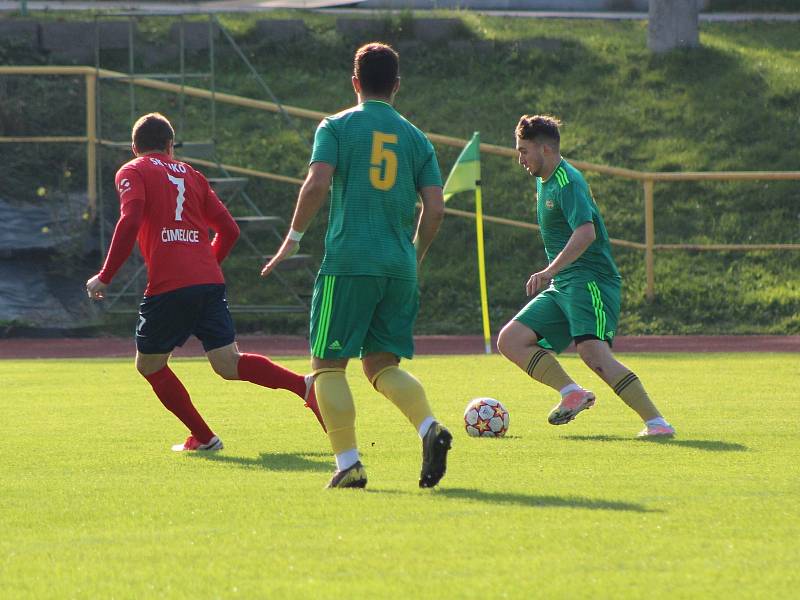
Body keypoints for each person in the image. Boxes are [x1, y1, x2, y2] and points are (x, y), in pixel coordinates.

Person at [261, 42, 451, 488]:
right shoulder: (417, 137)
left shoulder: (337, 126)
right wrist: (414, 254)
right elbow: (436, 207)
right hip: (398, 267)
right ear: (397, 86)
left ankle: (348, 463)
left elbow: (316, 183)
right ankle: (429, 427)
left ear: (355, 82)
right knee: (382, 366)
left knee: (327, 365)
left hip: (349, 261)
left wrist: (292, 238)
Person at [86, 112, 325, 452]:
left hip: (170, 285)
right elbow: (230, 230)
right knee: (228, 363)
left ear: (134, 147)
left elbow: (131, 218)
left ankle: (205, 437)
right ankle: (304, 386)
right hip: (209, 281)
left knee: (149, 364)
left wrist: (105, 276)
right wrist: (203, 265)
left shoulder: (132, 170)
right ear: (170, 146)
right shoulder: (193, 175)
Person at [497, 114, 675, 438]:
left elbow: (586, 232)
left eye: (524, 150)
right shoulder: (544, 179)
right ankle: (571, 392)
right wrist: (555, 276)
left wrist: (550, 270)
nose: (519, 158)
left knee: (593, 353)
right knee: (511, 340)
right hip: (564, 283)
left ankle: (657, 423)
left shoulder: (568, 182)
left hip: (590, 280)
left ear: (544, 148)